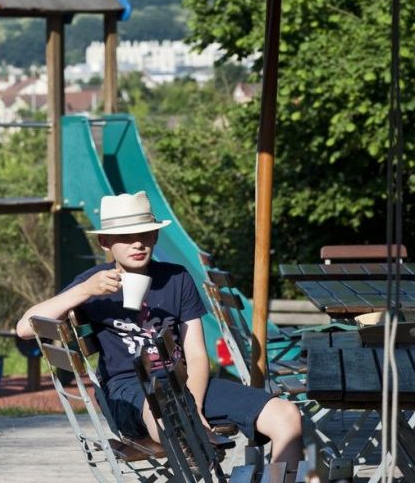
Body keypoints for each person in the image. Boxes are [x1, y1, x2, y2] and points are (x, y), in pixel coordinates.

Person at [16, 191, 303, 479]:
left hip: (185, 384)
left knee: (286, 416)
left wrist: (195, 404)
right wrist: (84, 291)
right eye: (126, 237)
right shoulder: (93, 284)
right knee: (170, 416)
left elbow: (196, 354)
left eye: (144, 234)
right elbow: (25, 328)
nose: (137, 243)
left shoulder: (176, 278)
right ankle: (197, 452)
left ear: (155, 236)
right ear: (105, 242)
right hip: (129, 391)